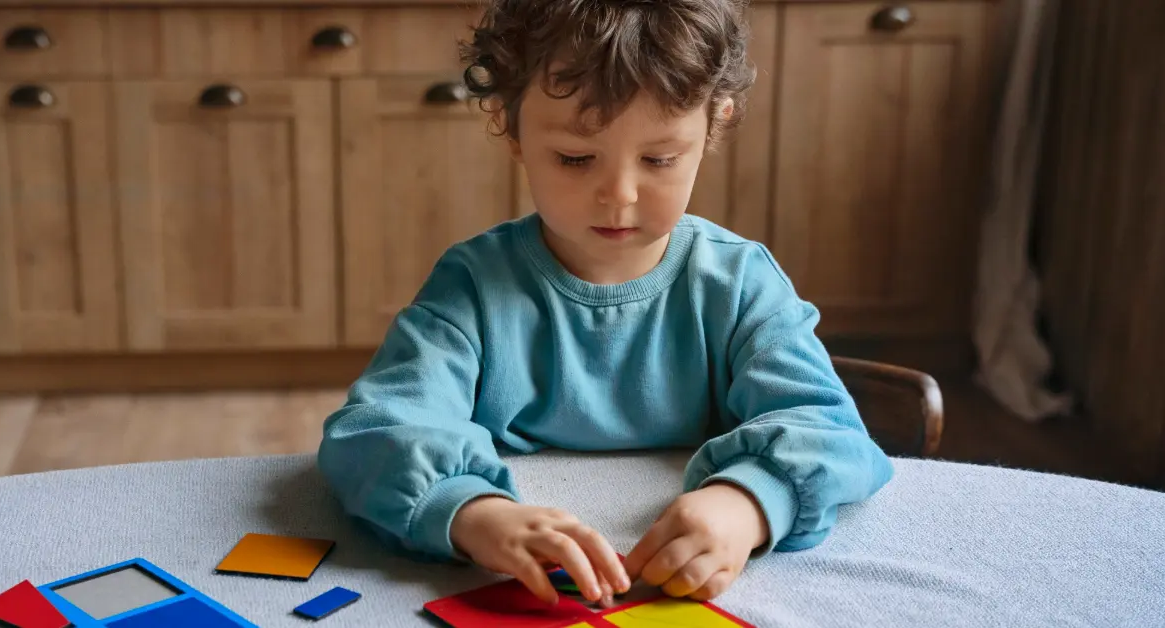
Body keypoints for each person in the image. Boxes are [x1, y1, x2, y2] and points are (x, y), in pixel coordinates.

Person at [317, 0, 893, 608]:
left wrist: (747, 503)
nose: (618, 196)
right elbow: (376, 430)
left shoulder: (741, 284)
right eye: (575, 158)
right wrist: (473, 515)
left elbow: (829, 432)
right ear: (509, 127)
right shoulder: (472, 287)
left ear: (714, 125)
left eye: (660, 159)